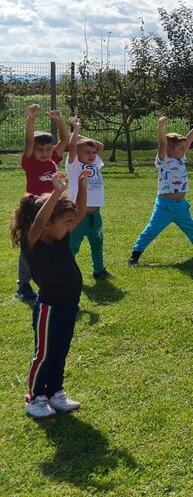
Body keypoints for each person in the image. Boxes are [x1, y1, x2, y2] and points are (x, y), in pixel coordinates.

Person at [14, 169, 88, 418]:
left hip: (69, 307)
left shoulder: (60, 238)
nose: (69, 227)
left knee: (60, 352)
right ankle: (36, 398)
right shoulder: (32, 241)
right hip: (49, 309)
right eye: (65, 223)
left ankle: (55, 392)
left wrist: (82, 186)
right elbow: (39, 222)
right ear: (47, 223)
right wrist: (57, 193)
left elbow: (79, 214)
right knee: (44, 355)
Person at [129, 115, 193, 266]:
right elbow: (162, 143)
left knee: (191, 228)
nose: (184, 150)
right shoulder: (163, 160)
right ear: (169, 149)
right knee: (151, 230)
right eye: (181, 148)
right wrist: (161, 127)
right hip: (165, 206)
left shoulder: (180, 158)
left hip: (181, 205)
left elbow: (189, 139)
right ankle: (135, 255)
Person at [16, 105, 70, 302]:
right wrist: (31, 119)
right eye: (40, 150)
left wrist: (60, 121)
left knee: (51, 243)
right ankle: (23, 286)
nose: (45, 153)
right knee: (29, 245)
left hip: (52, 208)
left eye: (48, 149)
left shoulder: (53, 159)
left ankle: (50, 278)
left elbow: (65, 140)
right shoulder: (30, 161)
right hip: (33, 209)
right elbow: (29, 141)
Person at [65, 118, 110, 281]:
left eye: (93, 153)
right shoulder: (74, 166)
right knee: (72, 247)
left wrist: (80, 136)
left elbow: (100, 146)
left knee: (97, 244)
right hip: (78, 215)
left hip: (95, 215)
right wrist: (75, 130)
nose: (92, 155)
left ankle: (99, 271)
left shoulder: (95, 164)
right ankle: (67, 273)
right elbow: (72, 146)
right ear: (77, 154)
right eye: (87, 152)